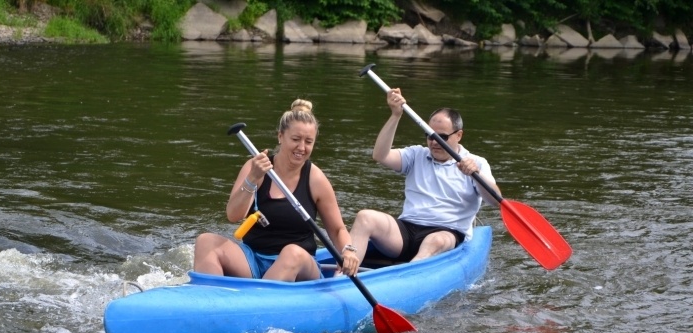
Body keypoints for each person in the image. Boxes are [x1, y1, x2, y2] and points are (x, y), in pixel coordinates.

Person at [193, 99, 360, 281]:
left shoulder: (316, 178)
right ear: (280, 136)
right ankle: (211, 301)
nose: (302, 148)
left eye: (308, 142)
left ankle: (258, 302)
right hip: (254, 258)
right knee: (206, 242)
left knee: (291, 253)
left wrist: (348, 250)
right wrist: (252, 179)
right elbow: (233, 215)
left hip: (299, 265)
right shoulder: (256, 167)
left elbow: (336, 229)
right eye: (295, 139)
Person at [348, 88, 502, 267]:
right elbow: (380, 155)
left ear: (458, 135)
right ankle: (343, 275)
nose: (434, 142)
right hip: (406, 230)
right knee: (365, 217)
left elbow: (496, 201)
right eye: (430, 135)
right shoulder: (416, 155)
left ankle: (407, 279)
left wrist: (476, 176)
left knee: (434, 241)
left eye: (442, 137)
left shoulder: (476, 163)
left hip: (446, 232)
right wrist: (395, 115)